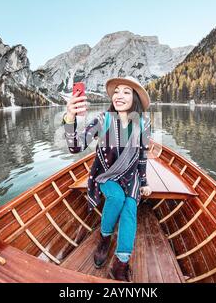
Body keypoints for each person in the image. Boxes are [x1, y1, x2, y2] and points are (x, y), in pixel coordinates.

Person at [62, 76, 152, 282]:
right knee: (117, 198)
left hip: (132, 176)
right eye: (117, 91)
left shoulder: (144, 124)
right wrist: (70, 116)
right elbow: (75, 146)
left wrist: (144, 182)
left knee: (130, 206)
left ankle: (120, 265)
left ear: (135, 98)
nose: (119, 95)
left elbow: (142, 156)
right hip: (106, 175)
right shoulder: (103, 119)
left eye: (126, 91)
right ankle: (104, 239)